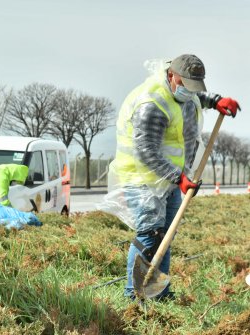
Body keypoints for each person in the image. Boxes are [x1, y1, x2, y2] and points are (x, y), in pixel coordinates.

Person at [101, 54, 241, 300]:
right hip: (142, 176)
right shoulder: (152, 105)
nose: (191, 91)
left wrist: (217, 101)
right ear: (172, 76)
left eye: (196, 86)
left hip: (170, 179)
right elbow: (147, 152)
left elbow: (196, 98)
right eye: (187, 84)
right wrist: (179, 178)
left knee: (166, 233)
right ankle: (134, 295)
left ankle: (158, 292)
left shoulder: (183, 92)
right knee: (150, 233)